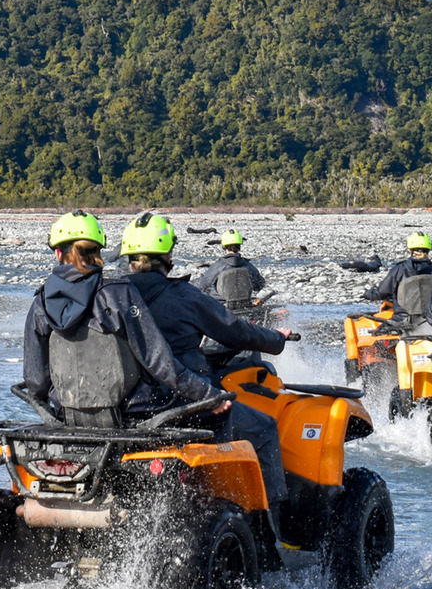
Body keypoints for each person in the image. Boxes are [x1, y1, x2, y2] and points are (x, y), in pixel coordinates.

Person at [109, 213, 290, 528]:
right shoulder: (182, 295)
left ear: (128, 254)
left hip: (124, 409)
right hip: (182, 405)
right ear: (167, 253)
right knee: (263, 427)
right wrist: (276, 339)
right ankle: (270, 529)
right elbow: (236, 331)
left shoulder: (109, 295)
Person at [21, 211, 220, 421]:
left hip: (67, 412)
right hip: (134, 411)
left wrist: (56, 408)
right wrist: (208, 394)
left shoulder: (40, 302)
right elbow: (158, 360)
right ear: (98, 250)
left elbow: (36, 380)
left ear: (58, 254)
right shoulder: (117, 294)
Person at [363, 231, 432, 304]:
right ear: (428, 250)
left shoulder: (399, 269)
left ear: (410, 250)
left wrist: (366, 293)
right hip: (430, 317)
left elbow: (381, 292)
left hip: (402, 317)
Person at [193, 230, 264, 298]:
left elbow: (202, 283)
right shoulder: (248, 266)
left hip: (221, 305)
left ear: (224, 246)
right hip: (244, 303)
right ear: (239, 246)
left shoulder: (218, 266)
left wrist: (185, 283)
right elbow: (259, 285)